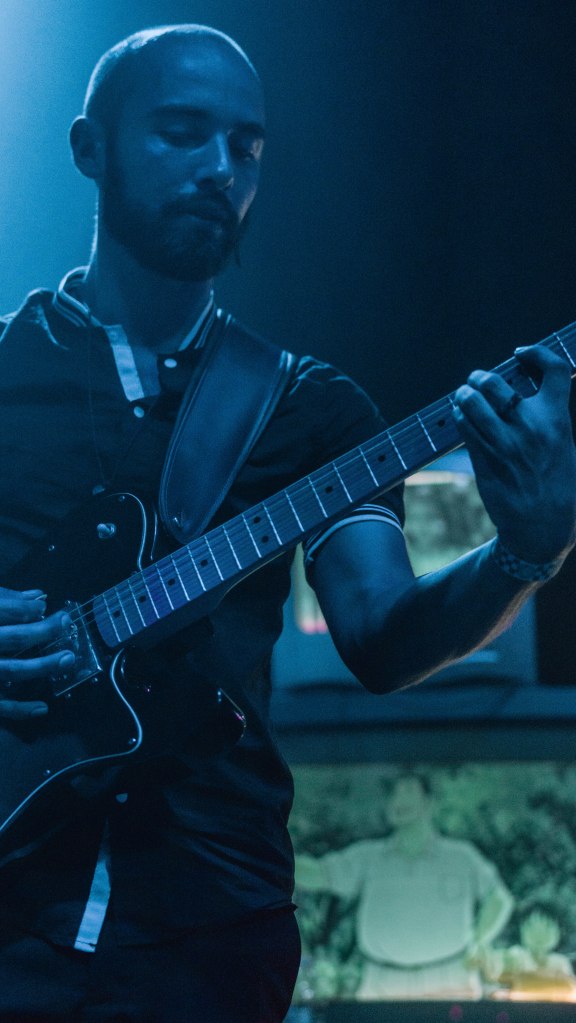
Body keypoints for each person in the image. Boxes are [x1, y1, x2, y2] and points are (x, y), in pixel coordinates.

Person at [0, 23, 574, 1023]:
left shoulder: (309, 407)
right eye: (183, 131)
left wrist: (525, 551)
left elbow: (383, 639)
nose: (221, 168)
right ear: (91, 148)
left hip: (207, 926)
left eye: (247, 145)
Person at [296, 774, 513, 1000]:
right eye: (393, 794)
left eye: (408, 792)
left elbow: (498, 898)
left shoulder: (462, 857)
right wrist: (275, 858)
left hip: (452, 982)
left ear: (429, 803)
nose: (398, 801)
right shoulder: (367, 857)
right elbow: (319, 874)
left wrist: (480, 940)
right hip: (381, 985)